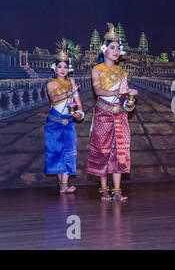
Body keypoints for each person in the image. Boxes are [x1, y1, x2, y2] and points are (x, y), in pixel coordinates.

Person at [86, 23, 137, 201]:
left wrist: (129, 102)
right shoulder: (97, 70)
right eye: (112, 47)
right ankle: (104, 189)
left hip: (119, 114)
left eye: (118, 48)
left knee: (119, 151)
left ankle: (117, 191)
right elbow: (98, 91)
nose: (116, 51)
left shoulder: (122, 72)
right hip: (103, 114)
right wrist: (118, 93)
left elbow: (125, 100)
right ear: (104, 49)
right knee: (102, 151)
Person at [45, 49, 84, 194]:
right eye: (60, 66)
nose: (63, 70)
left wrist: (79, 114)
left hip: (68, 121)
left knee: (68, 152)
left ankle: (64, 185)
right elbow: (54, 99)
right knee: (56, 152)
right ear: (55, 68)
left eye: (65, 67)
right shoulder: (51, 84)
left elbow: (79, 104)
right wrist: (71, 91)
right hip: (54, 122)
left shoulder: (72, 84)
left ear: (69, 70)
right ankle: (61, 184)